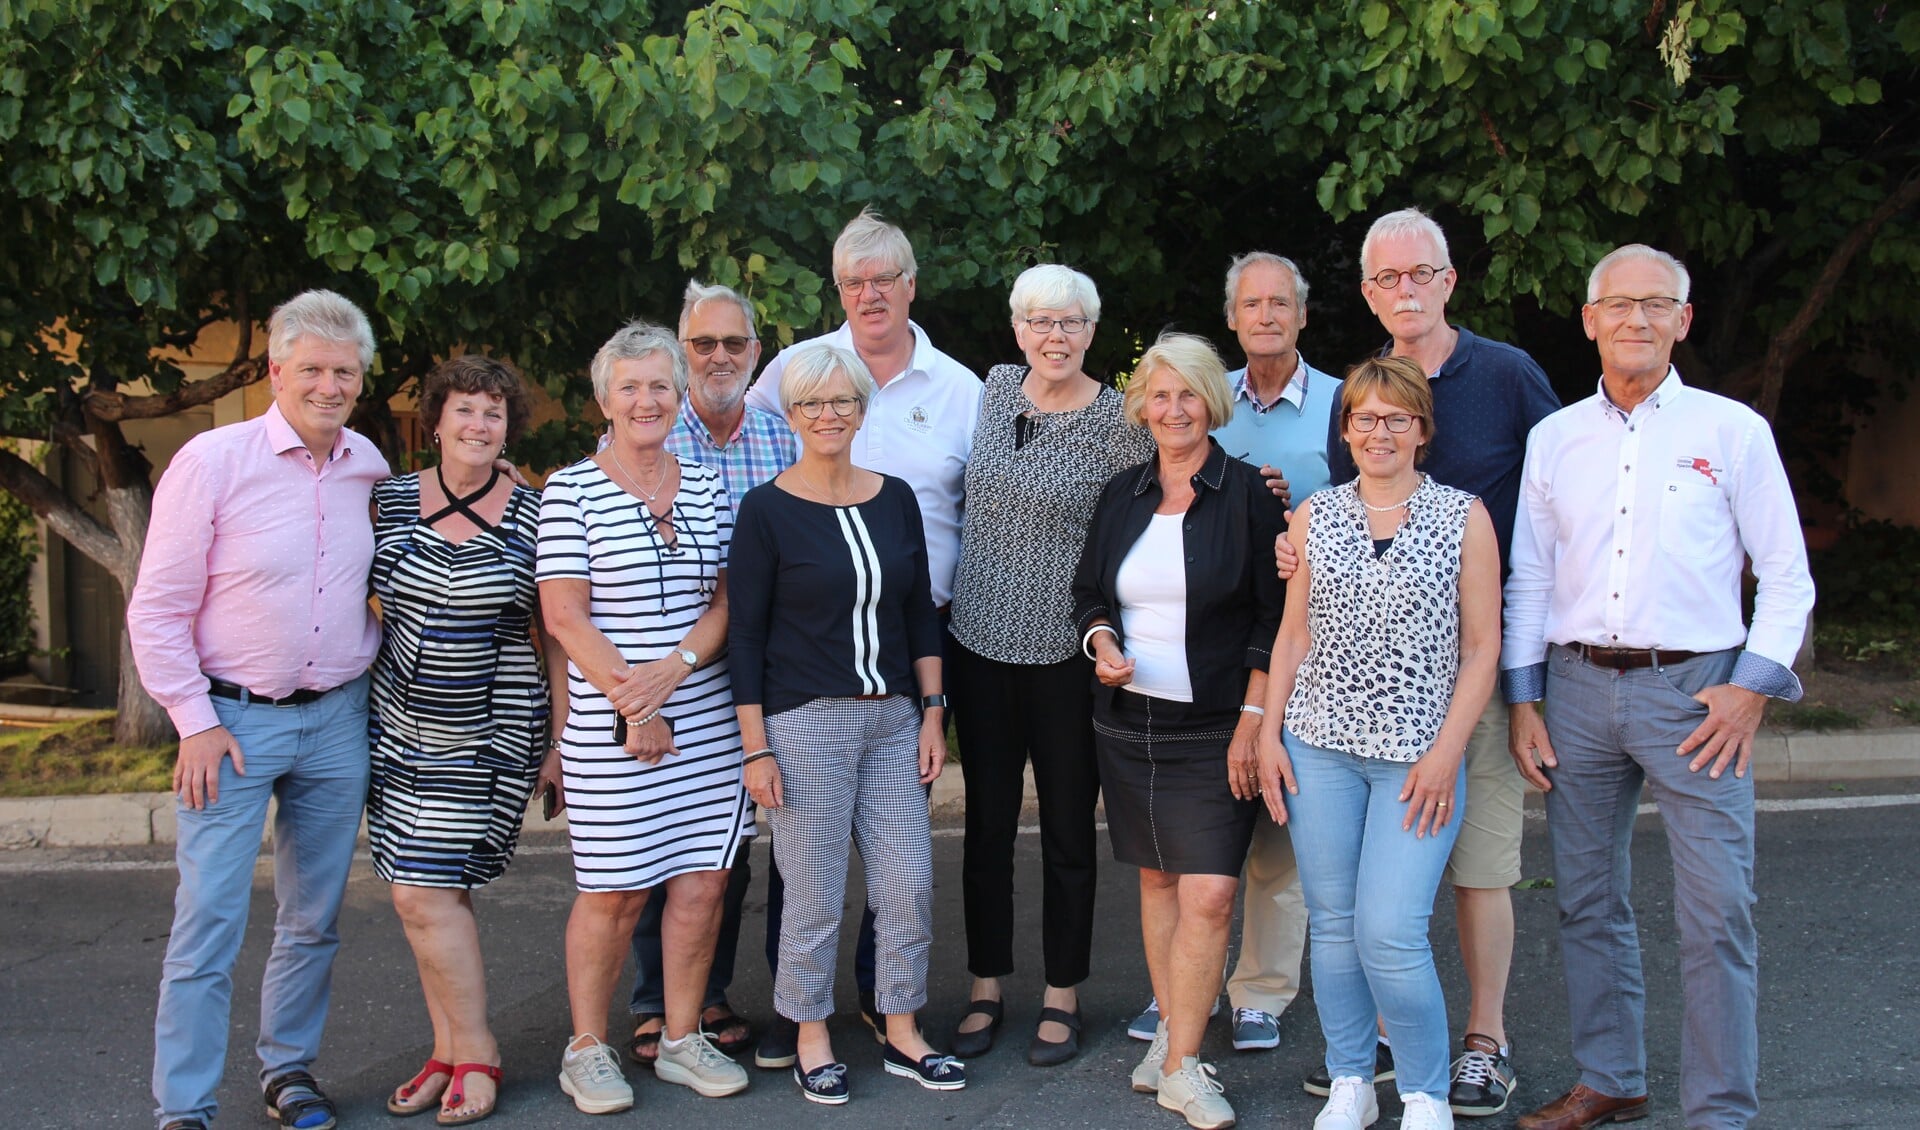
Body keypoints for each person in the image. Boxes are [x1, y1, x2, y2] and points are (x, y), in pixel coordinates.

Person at [1503, 245, 1815, 1130]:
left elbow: (1786, 576)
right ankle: (1612, 1077)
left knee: (1717, 913)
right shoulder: (1554, 437)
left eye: (1657, 304)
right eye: (1619, 303)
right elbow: (1529, 576)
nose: (1636, 319)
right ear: (1590, 318)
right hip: (1573, 690)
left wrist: (1753, 687)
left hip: (1697, 695)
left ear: (1684, 319)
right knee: (1586, 899)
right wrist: (1524, 700)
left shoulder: (1732, 431)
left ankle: (1719, 1110)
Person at [1303, 206, 1560, 1116]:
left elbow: (1563, 484)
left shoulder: (1508, 375)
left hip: (1467, 684)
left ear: (1449, 280)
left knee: (1481, 869)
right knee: (1355, 916)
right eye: (1385, 279)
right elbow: (1319, 526)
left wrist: (1526, 689)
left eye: (1420, 275)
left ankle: (1482, 1043)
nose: (1403, 290)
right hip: (1343, 710)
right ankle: (1372, 1048)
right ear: (1370, 292)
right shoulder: (1361, 395)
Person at [128, 289, 390, 1130]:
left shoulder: (370, 469)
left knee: (312, 919)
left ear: (360, 379)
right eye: (310, 368)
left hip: (336, 722)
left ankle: (288, 1073)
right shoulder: (212, 461)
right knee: (208, 925)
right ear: (276, 372)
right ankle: (185, 1107)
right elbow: (158, 607)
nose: (328, 385)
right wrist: (193, 721)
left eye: (343, 371)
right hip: (231, 727)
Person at [743, 205, 982, 1065]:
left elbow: (926, 594)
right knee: (806, 884)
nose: (831, 413)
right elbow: (749, 632)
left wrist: (931, 708)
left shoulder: (944, 416)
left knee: (904, 876)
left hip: (900, 685)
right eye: (854, 282)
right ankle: (803, 1024)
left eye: (885, 279)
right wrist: (755, 743)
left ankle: (898, 1017)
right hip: (804, 696)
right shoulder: (772, 473)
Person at [1259, 356, 1502, 1130]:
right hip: (1319, 744)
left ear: (1422, 431)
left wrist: (1446, 752)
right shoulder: (1314, 517)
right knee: (1331, 926)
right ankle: (1351, 1082)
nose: (1379, 432)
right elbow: (1292, 635)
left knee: (1390, 931)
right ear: (1347, 429)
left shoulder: (1465, 516)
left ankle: (1425, 1091)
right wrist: (1269, 732)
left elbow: (1481, 648)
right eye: (1364, 417)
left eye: (1397, 418)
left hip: (1417, 758)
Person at [1071, 332, 1286, 1130]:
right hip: (1129, 727)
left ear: (1211, 402)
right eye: (1159, 396)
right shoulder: (1121, 493)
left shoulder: (1251, 496)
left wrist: (1254, 722)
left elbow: (1275, 617)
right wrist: (1102, 644)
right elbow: (1090, 591)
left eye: (1187, 394)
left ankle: (1185, 1065)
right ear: (1142, 407)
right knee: (1158, 882)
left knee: (1212, 892)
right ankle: (1171, 1037)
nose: (1173, 410)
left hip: (1217, 729)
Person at [1129, 252, 1342, 1053]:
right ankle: (1189, 991)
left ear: (1302, 314)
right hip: (1217, 640)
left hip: (1315, 633)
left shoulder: (1334, 404)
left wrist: (1289, 508)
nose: (1265, 316)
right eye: (1251, 303)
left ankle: (1261, 992)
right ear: (1232, 316)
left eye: (1280, 303)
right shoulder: (1202, 397)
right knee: (1194, 840)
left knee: (1274, 829)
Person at [538, 322, 752, 1114]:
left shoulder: (703, 484)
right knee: (615, 892)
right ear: (603, 399)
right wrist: (638, 701)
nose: (646, 400)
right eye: (628, 387)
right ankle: (587, 1049)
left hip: (704, 717)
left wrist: (678, 670)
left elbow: (727, 599)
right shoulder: (571, 489)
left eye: (660, 385)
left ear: (679, 395)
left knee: (703, 884)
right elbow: (565, 616)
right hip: (611, 722)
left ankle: (682, 1036)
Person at [947, 265, 1153, 1067]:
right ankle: (986, 984)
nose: (1053, 336)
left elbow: (1156, 503)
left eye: (1069, 322)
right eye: (1038, 321)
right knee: (987, 828)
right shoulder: (995, 390)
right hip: (978, 644)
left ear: (1092, 331)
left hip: (1069, 653)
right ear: (1017, 328)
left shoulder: (1119, 421)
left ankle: (1063, 994)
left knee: (1070, 829)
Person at [368, 355, 559, 1125]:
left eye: (494, 413)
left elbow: (556, 636)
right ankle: (445, 1049)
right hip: (396, 729)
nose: (479, 425)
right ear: (436, 419)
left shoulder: (538, 513)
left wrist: (559, 739)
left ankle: (476, 1051)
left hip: (492, 729)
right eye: (465, 410)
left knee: (422, 890)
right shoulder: (383, 501)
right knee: (427, 897)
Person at [624, 280, 797, 1068]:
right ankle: (654, 1002)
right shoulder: (646, 433)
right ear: (680, 353)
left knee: (722, 850)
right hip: (661, 670)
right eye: (704, 345)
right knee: (650, 842)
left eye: (735, 344)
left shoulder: (782, 438)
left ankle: (711, 994)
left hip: (754, 666)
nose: (720, 356)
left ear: (756, 354)